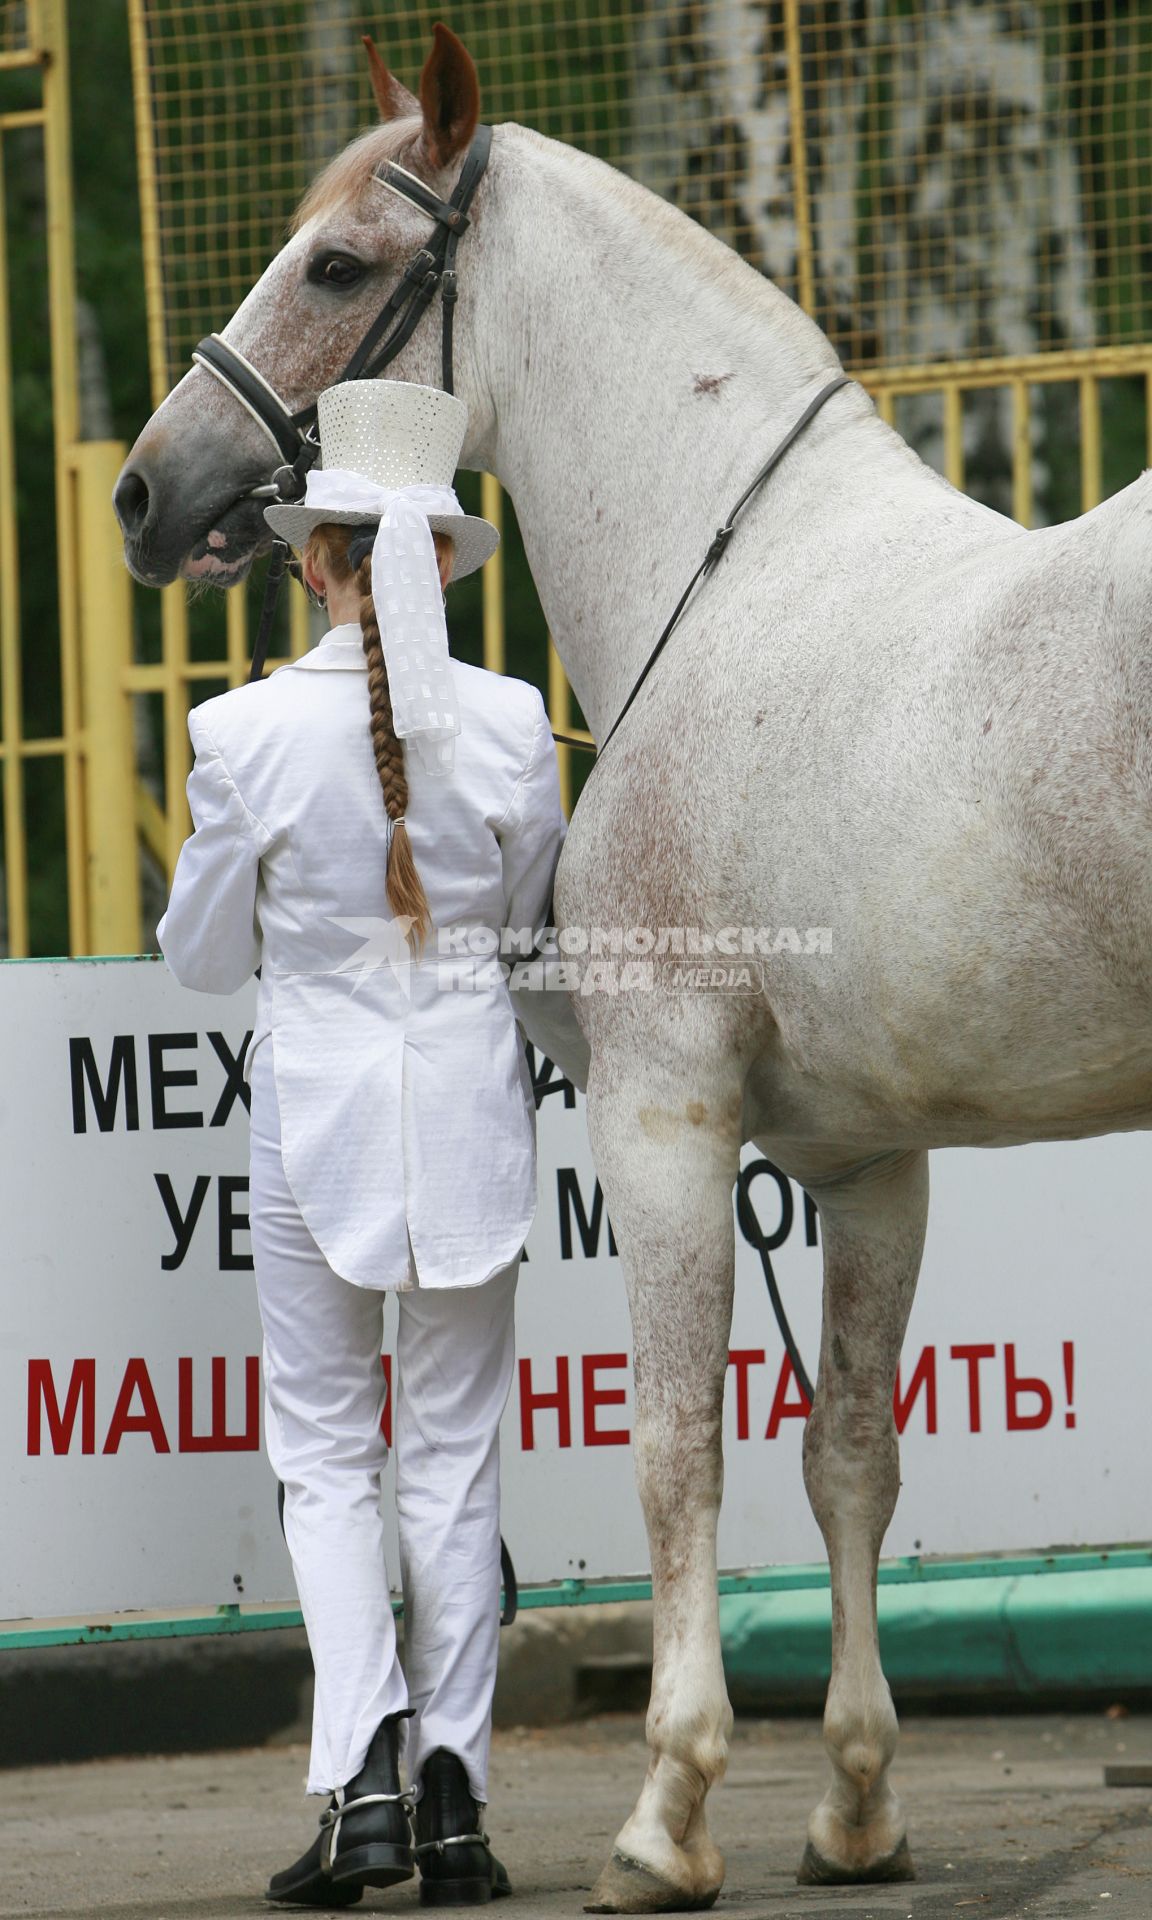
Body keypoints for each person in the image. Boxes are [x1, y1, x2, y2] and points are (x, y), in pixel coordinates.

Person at [157, 379, 565, 1908]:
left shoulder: (244, 730)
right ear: (438, 567)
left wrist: (252, 867)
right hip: (468, 1115)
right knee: (451, 1467)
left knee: (326, 1460)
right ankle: (454, 1802)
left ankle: (364, 1787)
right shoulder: (518, 726)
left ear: (321, 562)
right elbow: (523, 930)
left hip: (311, 1125)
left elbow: (199, 959)